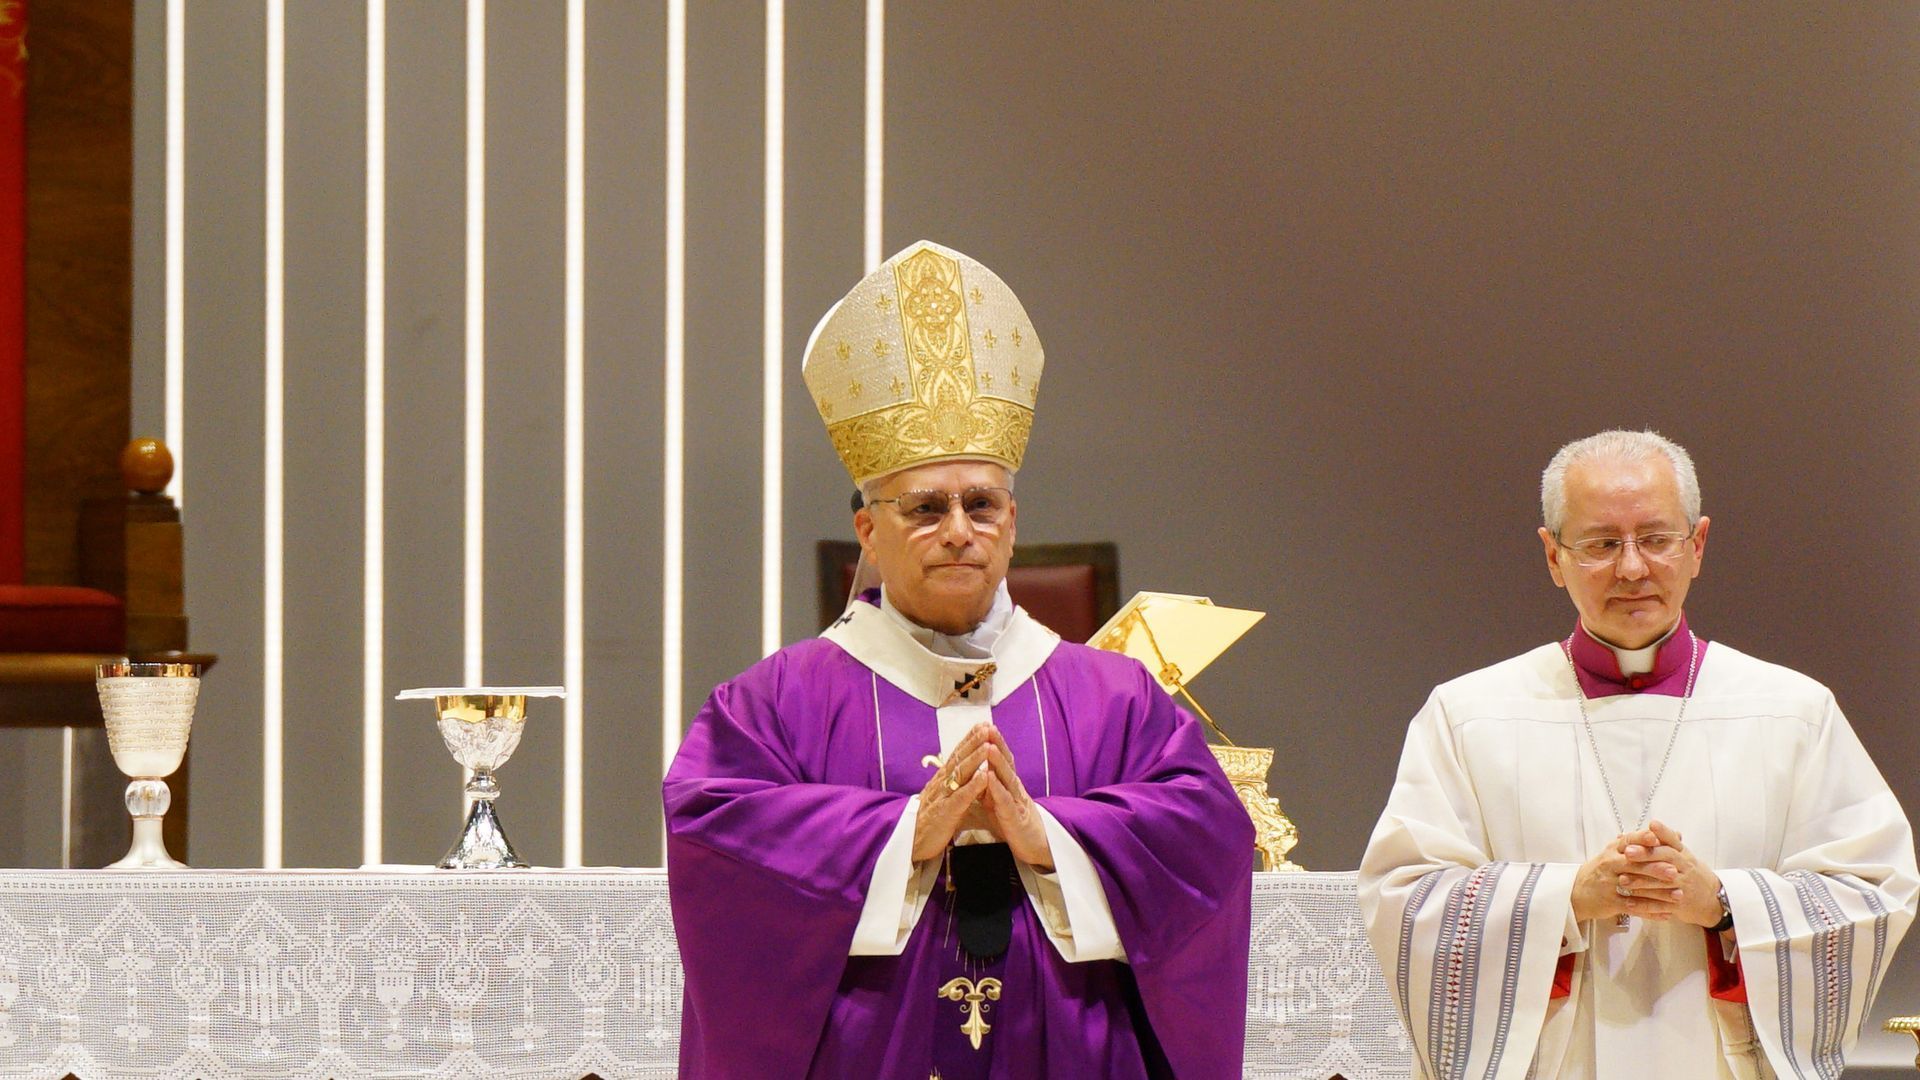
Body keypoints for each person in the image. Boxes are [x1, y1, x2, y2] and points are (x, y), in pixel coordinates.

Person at [664, 241, 1254, 1079]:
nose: (957, 530)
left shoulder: (1116, 696)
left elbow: (1208, 837)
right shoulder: (774, 702)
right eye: (924, 507)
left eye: (981, 504)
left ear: (1012, 521)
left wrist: (1046, 832)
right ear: (869, 530)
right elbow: (713, 834)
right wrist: (906, 833)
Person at [1359, 428, 1918, 1079]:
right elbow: (1406, 899)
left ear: (1697, 546)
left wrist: (1722, 903)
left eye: (1656, 540)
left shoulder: (1794, 711)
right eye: (1600, 544)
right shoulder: (1466, 715)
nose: (1631, 568)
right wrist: (1567, 897)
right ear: (1553, 556)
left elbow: (1872, 891)